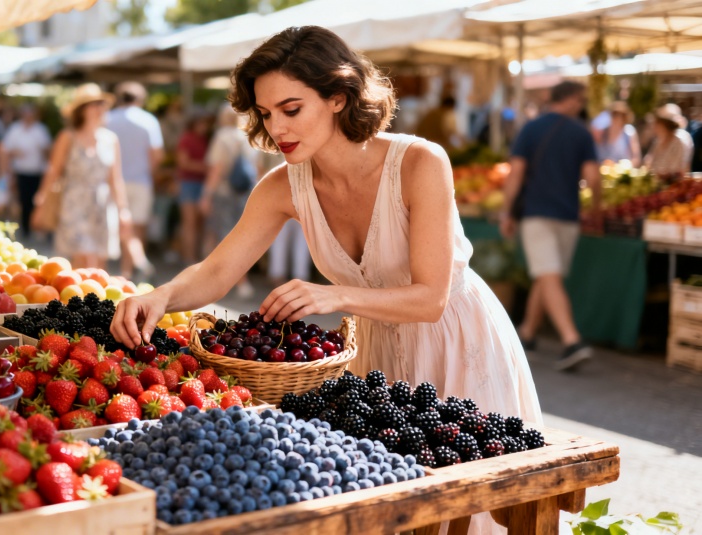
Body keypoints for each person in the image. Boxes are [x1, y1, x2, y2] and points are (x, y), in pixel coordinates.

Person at [112, 27, 542, 501]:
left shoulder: (421, 162)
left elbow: (431, 299)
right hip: (374, 356)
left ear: (339, 97)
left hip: (460, 341)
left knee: (475, 507)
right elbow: (216, 271)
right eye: (266, 113)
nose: (277, 129)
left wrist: (332, 294)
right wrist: (161, 295)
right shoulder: (282, 187)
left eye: (292, 110)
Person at [499, 81, 602, 371]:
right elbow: (593, 178)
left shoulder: (531, 129)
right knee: (548, 275)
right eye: (580, 100)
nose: (582, 106)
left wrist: (507, 212)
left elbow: (515, 173)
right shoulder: (581, 132)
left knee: (547, 276)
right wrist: (596, 209)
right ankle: (546, 337)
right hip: (568, 216)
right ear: (569, 100)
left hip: (536, 214)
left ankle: (565, 341)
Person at [34, 84, 131, 269]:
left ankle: (97, 298)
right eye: (93, 104)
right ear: (81, 110)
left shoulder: (111, 139)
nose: (99, 108)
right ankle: (79, 297)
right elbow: (53, 171)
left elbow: (115, 178)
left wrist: (123, 210)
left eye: (101, 104)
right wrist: (41, 201)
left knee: (100, 262)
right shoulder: (68, 137)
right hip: (74, 203)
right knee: (82, 259)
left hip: (101, 205)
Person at [200, 103, 259, 299]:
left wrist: (206, 195)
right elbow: (257, 170)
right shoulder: (251, 137)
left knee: (222, 236)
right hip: (246, 194)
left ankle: (225, 282)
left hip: (224, 193)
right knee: (242, 238)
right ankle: (239, 281)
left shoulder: (222, 136)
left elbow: (216, 170)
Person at [105, 81, 163, 280]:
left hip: (111, 183)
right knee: (137, 228)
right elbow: (156, 156)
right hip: (140, 181)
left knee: (115, 227)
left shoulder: (107, 119)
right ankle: (130, 272)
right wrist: (150, 174)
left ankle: (124, 272)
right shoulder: (148, 121)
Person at [259, 149, 312, 286]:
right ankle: (299, 278)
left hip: (280, 198)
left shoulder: (270, 146)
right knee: (302, 241)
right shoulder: (308, 146)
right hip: (305, 199)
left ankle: (279, 275)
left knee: (281, 239)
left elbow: (261, 171)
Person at [1, 104, 52, 239]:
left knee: (37, 201)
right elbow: (6, 151)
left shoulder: (41, 130)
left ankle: (38, 227)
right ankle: (26, 229)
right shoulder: (15, 129)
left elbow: (48, 150)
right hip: (21, 172)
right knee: (24, 201)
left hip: (37, 172)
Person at [175, 110, 213, 264]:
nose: (203, 126)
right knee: (189, 222)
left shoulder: (206, 139)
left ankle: (197, 258)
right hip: (189, 184)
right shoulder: (187, 139)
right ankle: (189, 258)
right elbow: (183, 163)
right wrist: (205, 168)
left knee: (200, 224)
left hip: (203, 184)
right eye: (200, 123)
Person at [645, 103, 693, 180]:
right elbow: (649, 163)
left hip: (675, 186)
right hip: (658, 184)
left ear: (665, 124)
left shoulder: (680, 140)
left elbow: (676, 170)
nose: (654, 126)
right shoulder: (658, 141)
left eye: (657, 122)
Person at [594, 101, 641, 165]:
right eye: (614, 115)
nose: (616, 119)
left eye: (619, 116)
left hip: (623, 172)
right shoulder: (603, 132)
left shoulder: (629, 132)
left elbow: (636, 158)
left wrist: (624, 166)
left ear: (624, 118)